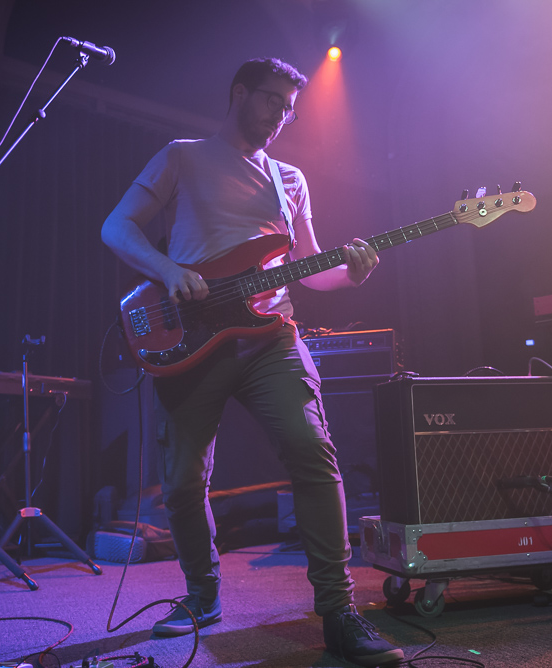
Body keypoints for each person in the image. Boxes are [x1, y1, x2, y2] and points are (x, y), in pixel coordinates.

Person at [101, 57, 404, 667]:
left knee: (311, 452)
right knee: (184, 480)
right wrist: (168, 270)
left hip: (271, 338)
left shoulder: (289, 178)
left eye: (290, 108)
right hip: (191, 339)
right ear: (238, 92)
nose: (280, 115)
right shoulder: (183, 155)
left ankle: (339, 612)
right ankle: (201, 595)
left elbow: (314, 267)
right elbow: (117, 226)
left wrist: (354, 272)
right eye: (271, 101)